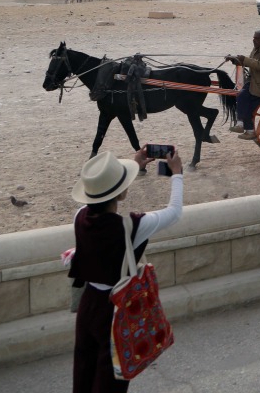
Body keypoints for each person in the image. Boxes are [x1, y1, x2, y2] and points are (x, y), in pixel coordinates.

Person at [69, 148, 183, 392]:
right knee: (110, 382)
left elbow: (103, 202)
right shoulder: (131, 227)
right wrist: (177, 174)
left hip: (88, 305)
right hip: (115, 308)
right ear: (120, 194)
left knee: (83, 372)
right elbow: (174, 213)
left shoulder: (79, 216)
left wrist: (131, 167)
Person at [226, 29, 260, 140]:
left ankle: (241, 124)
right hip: (255, 81)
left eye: (256, 38)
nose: (254, 40)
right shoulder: (258, 47)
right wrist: (234, 60)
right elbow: (250, 62)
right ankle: (248, 129)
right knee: (246, 102)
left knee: (242, 97)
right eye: (254, 38)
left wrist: (244, 59)